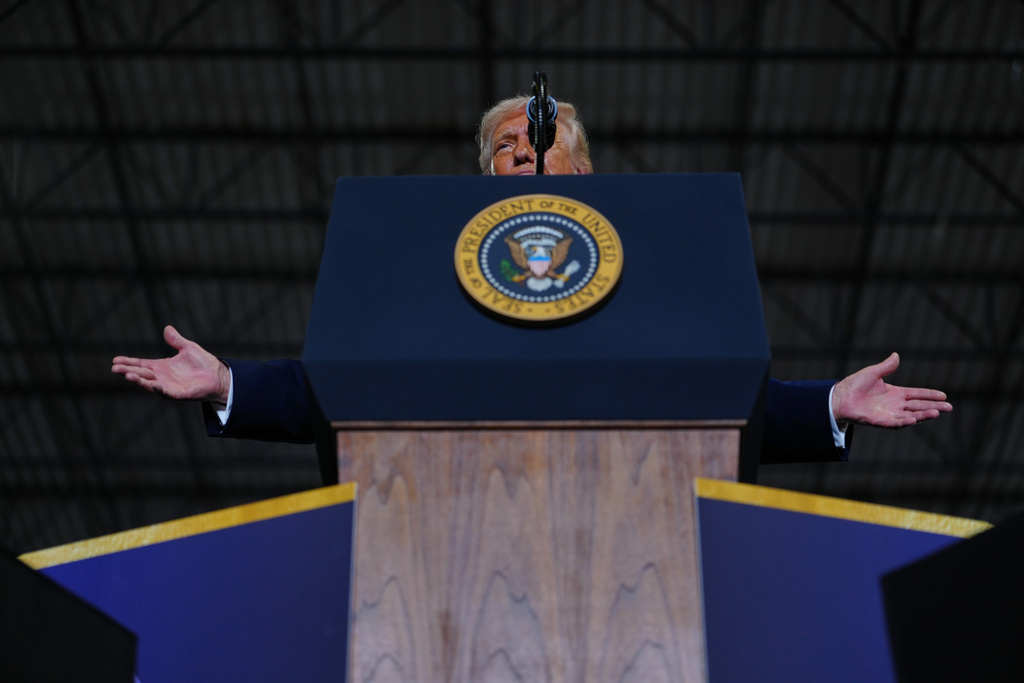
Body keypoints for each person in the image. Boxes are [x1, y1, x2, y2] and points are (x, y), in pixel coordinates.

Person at [112, 96, 952, 470]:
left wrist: (829, 405)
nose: (521, 150)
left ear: (582, 169)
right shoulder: (427, 270)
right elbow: (342, 382)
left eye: (537, 140)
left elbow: (717, 390)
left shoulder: (652, 267)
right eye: (505, 148)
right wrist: (228, 384)